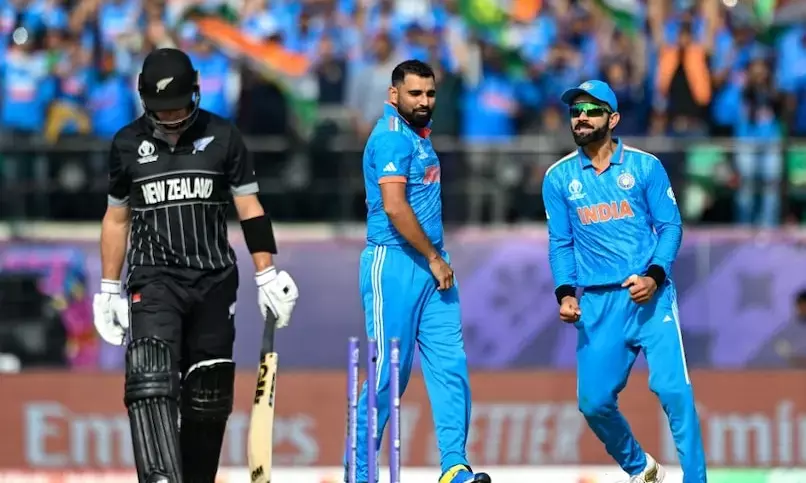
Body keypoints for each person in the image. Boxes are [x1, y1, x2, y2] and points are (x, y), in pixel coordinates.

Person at [91, 48, 299, 483]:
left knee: (209, 390)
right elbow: (116, 218)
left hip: (213, 278)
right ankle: (160, 478)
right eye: (162, 109)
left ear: (196, 93)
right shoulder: (126, 143)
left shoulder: (223, 136)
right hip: (154, 278)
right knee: (150, 376)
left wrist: (267, 273)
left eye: (178, 107)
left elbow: (250, 207)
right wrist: (108, 288)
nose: (171, 117)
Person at [541, 80, 707, 483]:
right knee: (594, 403)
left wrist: (655, 275)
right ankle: (641, 468)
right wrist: (565, 293)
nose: (581, 118)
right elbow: (560, 242)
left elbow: (670, 227)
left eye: (591, 111)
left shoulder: (645, 167)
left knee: (674, 391)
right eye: (576, 112)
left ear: (612, 119)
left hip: (650, 297)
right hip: (598, 304)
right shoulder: (558, 178)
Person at [349, 59, 491, 483]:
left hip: (433, 268)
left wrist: (434, 258)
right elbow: (394, 207)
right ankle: (360, 473)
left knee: (450, 367)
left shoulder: (418, 136)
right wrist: (432, 256)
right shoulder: (392, 138)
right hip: (394, 263)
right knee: (387, 376)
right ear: (394, 95)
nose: (424, 101)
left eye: (430, 93)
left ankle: (454, 466)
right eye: (415, 93)